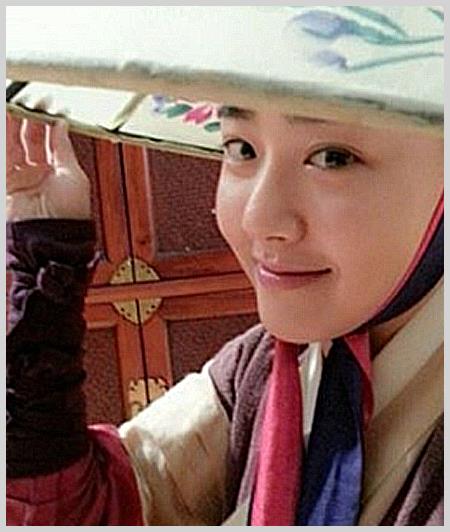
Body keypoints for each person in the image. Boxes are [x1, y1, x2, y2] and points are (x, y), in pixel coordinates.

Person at [6, 10, 443, 527]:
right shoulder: (260, 369)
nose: (259, 218)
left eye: (333, 157)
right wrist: (46, 253)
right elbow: (92, 509)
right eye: (241, 148)